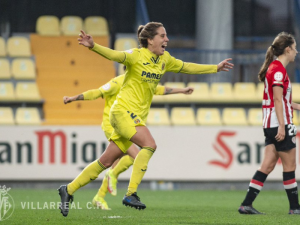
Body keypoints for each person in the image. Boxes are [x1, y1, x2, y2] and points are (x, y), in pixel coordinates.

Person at [58, 21, 233, 217]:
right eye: (162, 35)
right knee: (149, 145)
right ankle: (131, 193)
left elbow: (186, 67)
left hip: (132, 116)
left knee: (105, 162)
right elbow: (115, 55)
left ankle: (68, 189)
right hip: (122, 112)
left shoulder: (164, 59)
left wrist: (214, 68)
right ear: (150, 40)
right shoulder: (135, 55)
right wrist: (93, 46)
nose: (166, 39)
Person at [63, 73, 195, 210]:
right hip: (113, 124)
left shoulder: (141, 82)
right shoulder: (117, 82)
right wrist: (73, 98)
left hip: (128, 122)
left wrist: (182, 90)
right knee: (139, 155)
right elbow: (97, 92)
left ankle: (93, 194)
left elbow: (159, 89)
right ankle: (120, 184)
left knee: (112, 161)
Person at [238, 32, 300, 215]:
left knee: (267, 166)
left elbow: (280, 100)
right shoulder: (279, 70)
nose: (296, 52)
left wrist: (296, 106)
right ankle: (295, 208)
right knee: (290, 167)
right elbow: (278, 100)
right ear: (287, 49)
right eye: (295, 48)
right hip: (279, 123)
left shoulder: (273, 68)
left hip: (270, 124)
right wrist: (282, 126)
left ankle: (246, 204)